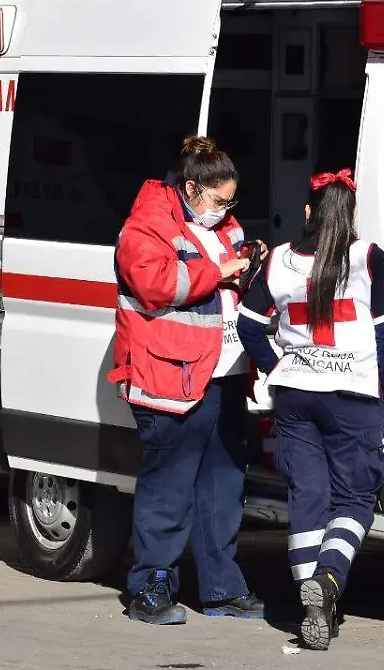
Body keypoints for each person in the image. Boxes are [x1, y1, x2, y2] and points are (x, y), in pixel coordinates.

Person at [236, 168, 384, 650]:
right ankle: (329, 579)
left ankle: (311, 604)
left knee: (308, 497)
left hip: (296, 395)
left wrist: (278, 367)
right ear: (351, 216)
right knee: (354, 498)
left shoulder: (277, 260)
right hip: (353, 396)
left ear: (307, 212)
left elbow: (249, 326)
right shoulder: (368, 258)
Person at [107, 134, 267, 625]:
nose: (225, 211)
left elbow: (231, 283)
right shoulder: (147, 224)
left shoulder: (224, 227)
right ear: (191, 188)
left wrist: (252, 265)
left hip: (222, 374)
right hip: (169, 377)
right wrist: (220, 271)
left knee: (222, 486)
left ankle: (222, 588)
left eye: (231, 202)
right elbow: (156, 284)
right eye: (219, 200)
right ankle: (151, 587)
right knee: (169, 488)